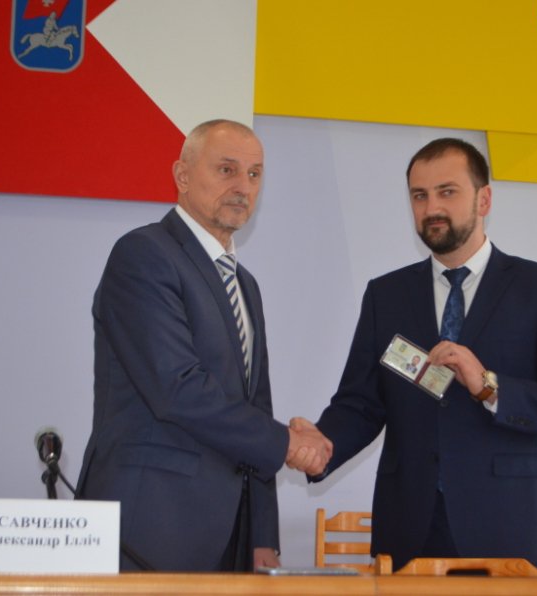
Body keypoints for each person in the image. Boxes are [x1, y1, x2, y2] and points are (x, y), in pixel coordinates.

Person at [291, 138, 537, 572]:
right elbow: (360, 403)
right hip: (410, 528)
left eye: (447, 192)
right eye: (419, 195)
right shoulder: (386, 295)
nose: (432, 207)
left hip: (506, 530)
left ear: (484, 199)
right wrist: (320, 445)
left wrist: (489, 386)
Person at [76, 119, 331, 572]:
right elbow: (177, 388)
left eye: (254, 174)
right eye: (227, 170)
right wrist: (289, 444)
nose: (243, 187)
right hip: (149, 523)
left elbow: (255, 405)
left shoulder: (245, 284)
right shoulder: (143, 255)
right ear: (182, 175)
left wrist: (262, 534)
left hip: (229, 536)